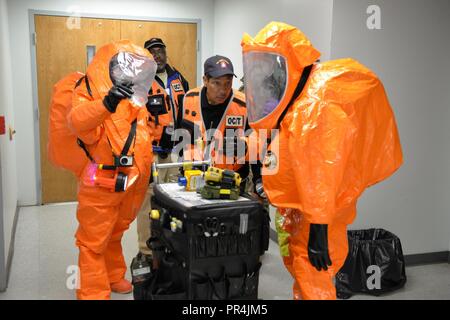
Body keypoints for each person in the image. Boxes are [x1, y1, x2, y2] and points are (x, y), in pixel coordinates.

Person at [241, 22, 403, 300]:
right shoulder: (303, 98)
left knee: (313, 277)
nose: (269, 79)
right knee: (303, 271)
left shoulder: (315, 108)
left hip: (319, 215)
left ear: (291, 64)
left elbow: (322, 175)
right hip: (307, 209)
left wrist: (319, 229)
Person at [68, 40, 157, 299]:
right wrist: (105, 104)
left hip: (129, 181)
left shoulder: (134, 100)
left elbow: (139, 134)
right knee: (93, 240)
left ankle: (113, 275)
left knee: (116, 232)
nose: (135, 75)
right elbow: (78, 122)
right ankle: (93, 292)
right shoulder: (88, 89)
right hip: (100, 180)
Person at [136, 38, 190, 260]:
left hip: (177, 153)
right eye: (152, 52)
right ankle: (147, 251)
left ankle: (171, 246)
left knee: (175, 200)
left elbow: (188, 111)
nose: (157, 55)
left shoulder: (179, 79)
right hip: (153, 154)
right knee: (148, 203)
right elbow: (135, 121)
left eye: (160, 51)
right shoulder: (141, 83)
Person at [180, 55, 263, 195]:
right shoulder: (189, 100)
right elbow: (180, 137)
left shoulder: (244, 105)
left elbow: (260, 141)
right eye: (217, 83)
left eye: (228, 83)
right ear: (205, 81)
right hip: (194, 181)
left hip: (232, 183)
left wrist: (246, 147)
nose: (223, 90)